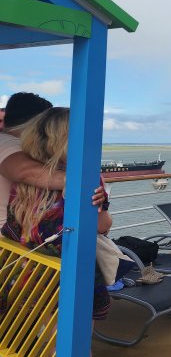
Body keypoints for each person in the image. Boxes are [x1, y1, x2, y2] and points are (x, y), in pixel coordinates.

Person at [1, 108, 113, 321]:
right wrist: (103, 204)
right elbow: (102, 227)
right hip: (65, 282)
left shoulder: (23, 184)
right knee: (72, 349)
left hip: (22, 278)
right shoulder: (86, 180)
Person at [0, 92, 107, 234]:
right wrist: (86, 183)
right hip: (34, 251)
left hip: (18, 246)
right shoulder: (6, 142)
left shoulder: (23, 184)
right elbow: (25, 171)